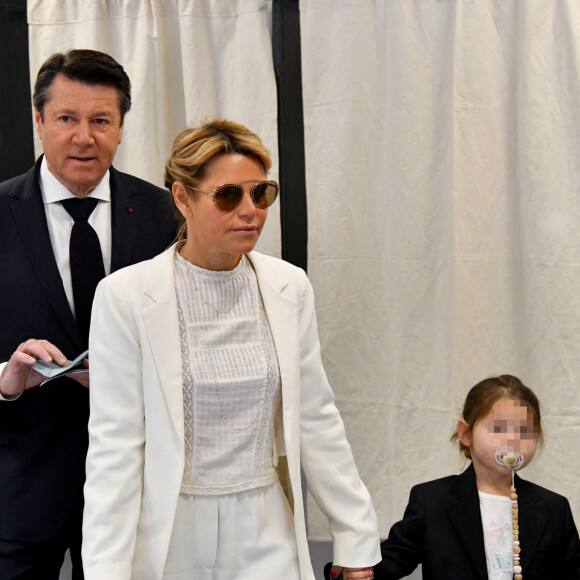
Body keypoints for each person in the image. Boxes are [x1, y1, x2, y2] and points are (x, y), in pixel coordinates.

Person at [81, 118, 381, 579]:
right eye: (228, 195)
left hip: (265, 524)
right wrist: (105, 571)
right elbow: (114, 448)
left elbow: (317, 418)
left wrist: (355, 536)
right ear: (182, 198)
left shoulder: (288, 286)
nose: (250, 210)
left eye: (261, 193)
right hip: (169, 532)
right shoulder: (125, 296)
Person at [0, 49, 177, 579]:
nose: (83, 137)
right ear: (38, 122)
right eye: (66, 119)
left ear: (121, 127)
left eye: (101, 120)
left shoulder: (167, 216)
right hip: (20, 487)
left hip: (137, 487)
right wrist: (7, 381)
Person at [325, 375, 580, 580]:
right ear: (465, 434)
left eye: (525, 431)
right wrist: (353, 570)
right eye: (500, 428)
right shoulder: (432, 501)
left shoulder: (554, 508)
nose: (513, 440)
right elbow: (390, 561)